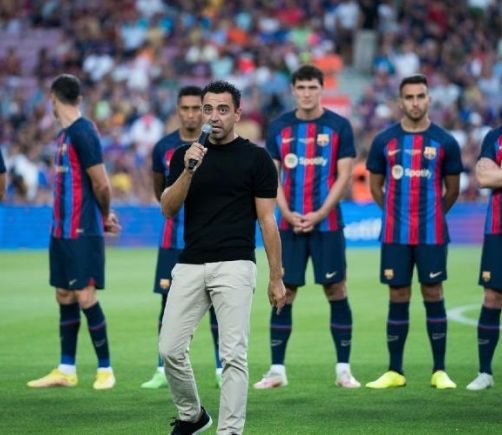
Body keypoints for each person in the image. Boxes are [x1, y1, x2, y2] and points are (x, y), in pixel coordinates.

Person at [159, 80, 286, 435]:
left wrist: (276, 276)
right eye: (208, 109)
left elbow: (267, 221)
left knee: (233, 355)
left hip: (235, 264)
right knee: (169, 349)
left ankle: (229, 431)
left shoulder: (257, 159)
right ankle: (192, 415)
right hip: (190, 262)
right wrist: (189, 169)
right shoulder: (184, 156)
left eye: (222, 110)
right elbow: (168, 209)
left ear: (237, 114)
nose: (214, 117)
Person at [254, 64, 360, 390]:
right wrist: (286, 212)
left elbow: (344, 176)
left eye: (312, 87)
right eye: (301, 87)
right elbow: (271, 175)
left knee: (336, 289)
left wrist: (318, 213)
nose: (307, 93)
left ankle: (344, 370)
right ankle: (277, 370)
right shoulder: (279, 127)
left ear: (322, 89)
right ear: (293, 90)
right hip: (289, 227)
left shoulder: (339, 126)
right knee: (284, 292)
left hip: (328, 225)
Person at [366, 74, 462, 389]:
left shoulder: (445, 141)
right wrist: (396, 213)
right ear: (400, 102)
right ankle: (395, 371)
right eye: (409, 97)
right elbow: (376, 186)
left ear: (429, 99)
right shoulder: (384, 140)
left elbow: (452, 190)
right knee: (398, 294)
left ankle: (440, 371)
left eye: (421, 96)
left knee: (433, 293)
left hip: (432, 234)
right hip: (395, 234)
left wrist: (431, 215)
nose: (415, 102)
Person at [27, 74, 120, 390]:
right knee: (63, 294)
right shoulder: (64, 135)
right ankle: (66, 369)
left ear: (53, 98)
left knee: (85, 295)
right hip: (61, 230)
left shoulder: (83, 132)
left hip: (82, 229)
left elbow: (101, 183)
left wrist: (104, 215)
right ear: (78, 98)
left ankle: (105, 369)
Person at [142, 86, 222, 389]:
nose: (190, 114)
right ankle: (162, 369)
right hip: (172, 241)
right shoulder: (163, 147)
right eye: (185, 108)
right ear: (177, 110)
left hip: (209, 239)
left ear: (203, 111)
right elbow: (160, 192)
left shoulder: (217, 143)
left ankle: (221, 368)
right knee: (167, 305)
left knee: (218, 305)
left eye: (195, 108)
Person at [466, 127, 502, 390]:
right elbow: (484, 177)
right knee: (492, 296)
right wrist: (492, 175)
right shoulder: (495, 137)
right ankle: (485, 372)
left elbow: (494, 175)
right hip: (498, 230)